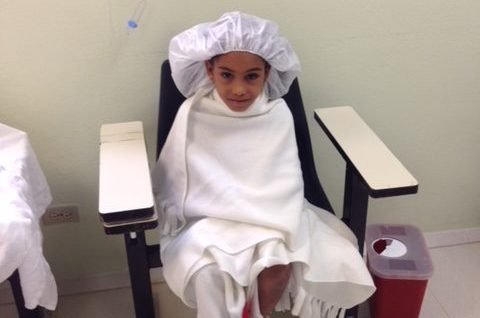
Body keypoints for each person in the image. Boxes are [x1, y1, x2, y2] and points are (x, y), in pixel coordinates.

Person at [152, 11, 375, 318]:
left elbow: (284, 179)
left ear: (267, 73)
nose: (239, 89)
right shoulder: (194, 113)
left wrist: (273, 222)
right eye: (227, 75)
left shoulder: (277, 114)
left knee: (277, 267)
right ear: (209, 68)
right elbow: (183, 176)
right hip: (208, 218)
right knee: (209, 272)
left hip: (271, 216)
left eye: (251, 76)